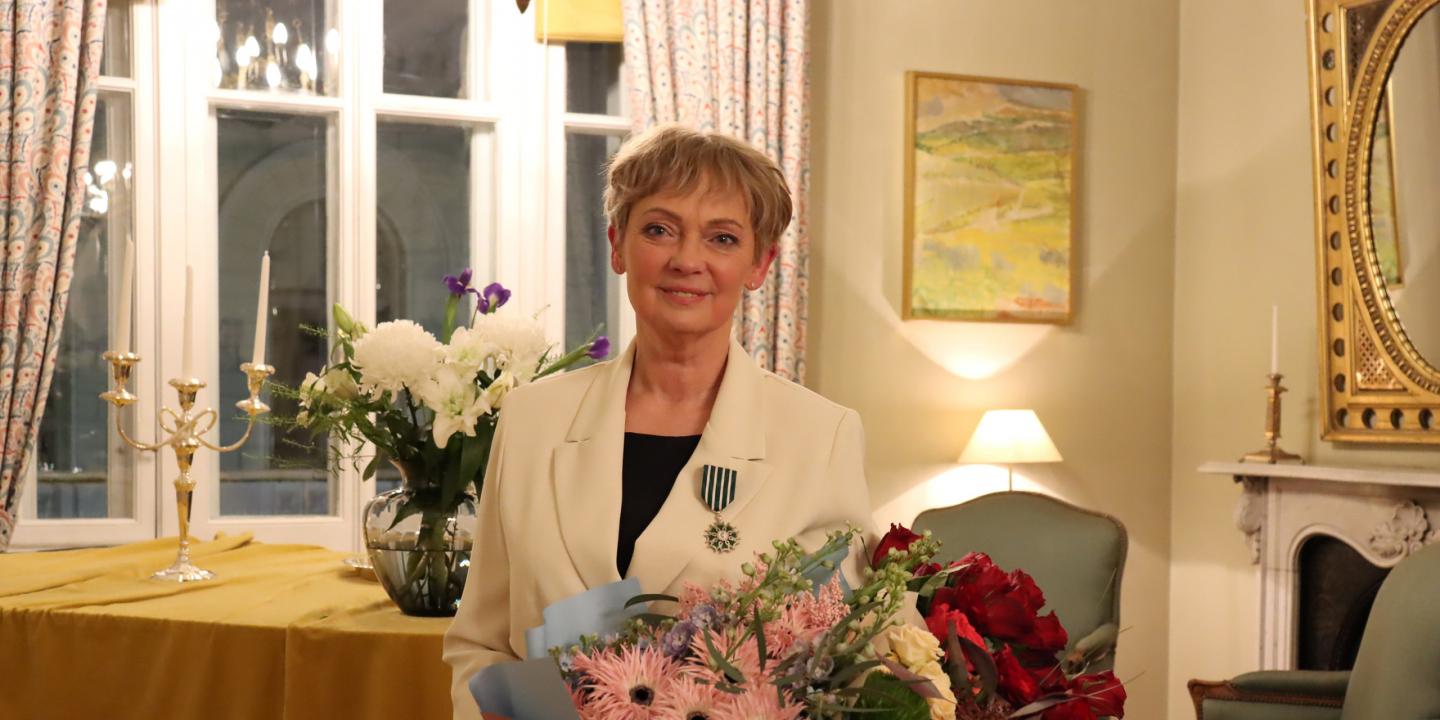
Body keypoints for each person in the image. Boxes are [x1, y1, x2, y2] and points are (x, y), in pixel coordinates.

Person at [442, 124, 876, 720]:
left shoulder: (821, 437)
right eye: (659, 229)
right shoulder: (529, 420)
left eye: (722, 238)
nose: (687, 259)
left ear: (760, 263)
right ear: (618, 244)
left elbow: (844, 662)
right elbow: (480, 642)